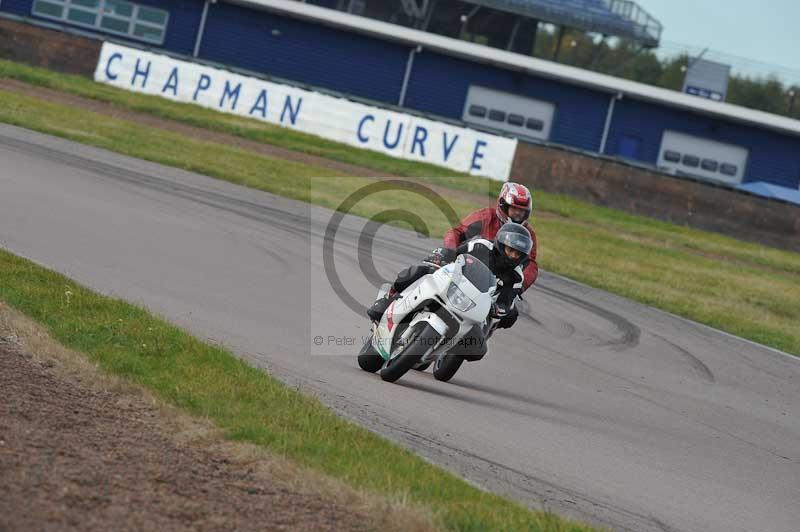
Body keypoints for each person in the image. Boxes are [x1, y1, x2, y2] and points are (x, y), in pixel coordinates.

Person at [367, 223, 533, 329]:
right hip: (453, 280)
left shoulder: (516, 277)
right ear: (500, 244)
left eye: (517, 254)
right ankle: (389, 298)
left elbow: (506, 300)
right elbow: (454, 253)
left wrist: (501, 308)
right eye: (509, 250)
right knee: (420, 271)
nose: (512, 255)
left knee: (480, 343)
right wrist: (442, 257)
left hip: (477, 302)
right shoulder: (480, 246)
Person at [443, 182, 538, 292]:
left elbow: (531, 264)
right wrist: (450, 252)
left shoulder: (528, 234)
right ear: (503, 206)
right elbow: (457, 232)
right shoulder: (486, 216)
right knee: (428, 272)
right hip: (469, 271)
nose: (518, 214)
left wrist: (520, 287)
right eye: (514, 209)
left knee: (510, 309)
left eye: (522, 211)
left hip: (501, 283)